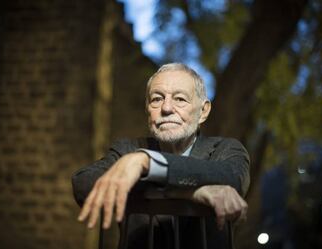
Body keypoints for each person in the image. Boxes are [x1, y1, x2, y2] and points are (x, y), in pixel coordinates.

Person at [72, 63, 250, 249]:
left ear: (203, 111)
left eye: (180, 99)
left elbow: (232, 178)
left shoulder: (225, 149)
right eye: (157, 99)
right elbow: (83, 184)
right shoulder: (127, 149)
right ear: (148, 108)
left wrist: (148, 163)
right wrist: (185, 193)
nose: (166, 108)